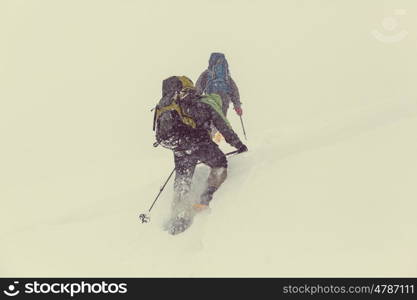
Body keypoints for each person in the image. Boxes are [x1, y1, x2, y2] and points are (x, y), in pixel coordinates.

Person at [153, 76, 247, 234]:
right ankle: (206, 197)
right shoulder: (207, 102)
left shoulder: (174, 103)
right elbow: (224, 127)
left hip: (178, 145)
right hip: (197, 142)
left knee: (183, 178)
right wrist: (239, 145)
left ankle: (178, 216)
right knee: (220, 163)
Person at [195, 52, 242, 117]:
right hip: (224, 101)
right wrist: (237, 105)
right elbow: (234, 91)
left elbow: (198, 87)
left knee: (211, 119)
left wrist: (195, 99)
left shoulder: (207, 73)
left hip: (211, 100)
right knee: (222, 120)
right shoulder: (226, 77)